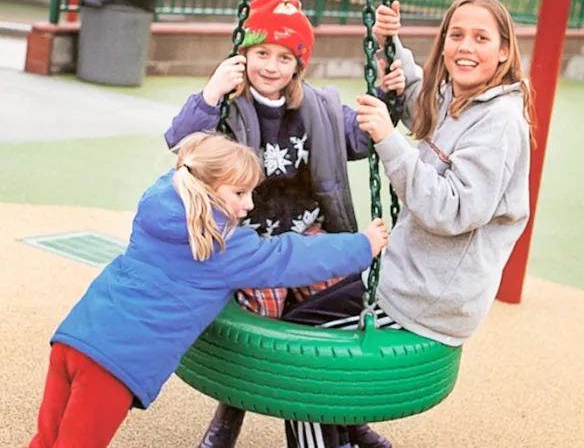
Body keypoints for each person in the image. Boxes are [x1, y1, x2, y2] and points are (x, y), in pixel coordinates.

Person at [282, 0, 536, 447]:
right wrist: (390, 43)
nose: (465, 47)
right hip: (406, 277)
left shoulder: (499, 123)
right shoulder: (460, 96)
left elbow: (451, 209)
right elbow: (421, 97)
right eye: (456, 35)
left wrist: (387, 138)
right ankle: (344, 430)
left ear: (504, 52)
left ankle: (332, 435)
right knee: (305, 316)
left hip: (427, 299)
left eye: (481, 38)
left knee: (303, 354)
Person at [26, 133, 389, 448]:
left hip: (74, 339)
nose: (249, 205)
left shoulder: (157, 207)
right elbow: (289, 257)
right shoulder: (221, 246)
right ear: (208, 187)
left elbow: (191, 159)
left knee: (45, 441)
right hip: (114, 364)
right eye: (240, 192)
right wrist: (362, 245)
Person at [165, 0, 402, 448]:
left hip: (310, 232)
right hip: (253, 240)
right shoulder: (231, 111)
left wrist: (386, 78)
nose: (271, 66)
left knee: (338, 309)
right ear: (245, 55)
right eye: (262, 53)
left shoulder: (323, 109)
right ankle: (229, 414)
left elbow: (368, 133)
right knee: (264, 321)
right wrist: (212, 92)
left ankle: (347, 418)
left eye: (284, 57)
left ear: (298, 65)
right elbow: (181, 145)